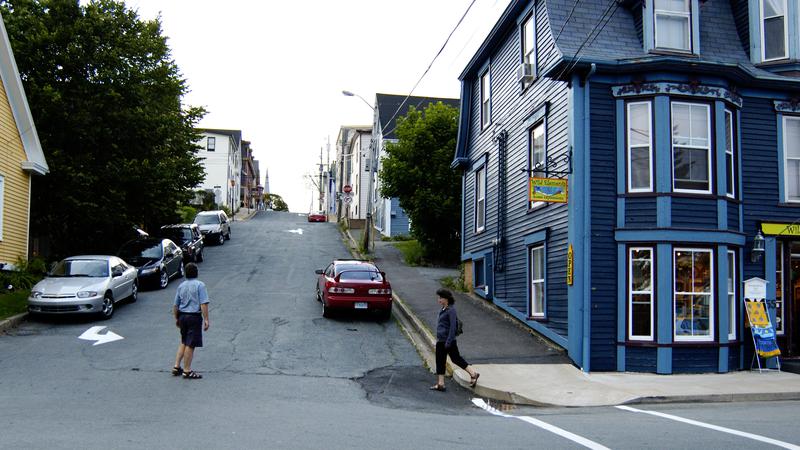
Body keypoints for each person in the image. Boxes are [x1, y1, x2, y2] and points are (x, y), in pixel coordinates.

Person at [430, 288, 479, 392]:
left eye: (440, 298)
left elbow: (453, 327)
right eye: (438, 297)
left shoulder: (451, 310)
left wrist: (448, 342)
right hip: (441, 340)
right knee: (440, 361)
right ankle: (440, 384)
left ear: (446, 299)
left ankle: (473, 374)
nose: (438, 299)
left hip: (448, 341)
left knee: (456, 358)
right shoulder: (443, 309)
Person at [171, 263, 210, 379]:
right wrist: (206, 319)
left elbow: (175, 305)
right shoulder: (200, 285)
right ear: (196, 273)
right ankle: (187, 370)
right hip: (193, 317)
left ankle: (176, 366)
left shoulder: (181, 286)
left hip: (182, 316)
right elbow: (203, 303)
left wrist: (177, 318)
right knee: (191, 344)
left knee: (184, 341)